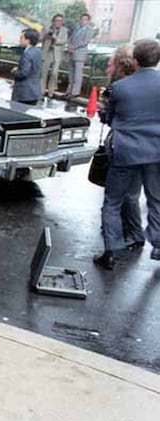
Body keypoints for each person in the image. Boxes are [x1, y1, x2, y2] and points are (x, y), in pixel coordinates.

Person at [94, 39, 160, 267]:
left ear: (135, 60)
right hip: (156, 152)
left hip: (125, 151)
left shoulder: (121, 87)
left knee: (113, 202)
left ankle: (112, 251)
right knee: (156, 200)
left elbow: (109, 118)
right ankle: (158, 246)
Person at [40, 14, 68, 98]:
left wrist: (55, 39)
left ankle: (51, 90)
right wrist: (46, 35)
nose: (58, 22)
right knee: (43, 72)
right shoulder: (47, 28)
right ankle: (41, 90)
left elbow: (64, 41)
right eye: (57, 20)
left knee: (54, 73)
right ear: (53, 21)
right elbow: (40, 38)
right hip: (47, 52)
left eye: (60, 21)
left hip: (57, 53)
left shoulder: (64, 30)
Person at [11, 29, 42, 105]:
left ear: (28, 40)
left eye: (21, 38)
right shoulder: (38, 52)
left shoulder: (27, 54)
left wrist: (15, 71)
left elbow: (23, 73)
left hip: (23, 93)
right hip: (34, 92)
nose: (20, 40)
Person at [66, 13, 94, 98]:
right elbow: (71, 38)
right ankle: (69, 91)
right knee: (71, 74)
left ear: (88, 21)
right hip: (72, 53)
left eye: (85, 19)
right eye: (81, 19)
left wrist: (74, 46)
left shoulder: (89, 30)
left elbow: (85, 41)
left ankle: (75, 92)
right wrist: (69, 45)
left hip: (80, 54)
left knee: (78, 74)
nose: (82, 21)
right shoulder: (77, 28)